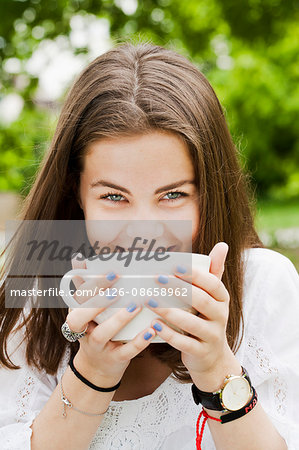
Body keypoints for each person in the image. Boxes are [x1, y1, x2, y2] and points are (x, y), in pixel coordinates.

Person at [0, 40, 298, 450]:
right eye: (113, 197)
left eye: (173, 195)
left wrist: (216, 369)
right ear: (77, 195)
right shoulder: (35, 299)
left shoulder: (264, 286)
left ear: (208, 193)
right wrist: (91, 372)